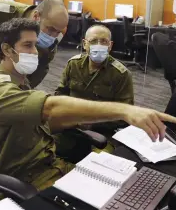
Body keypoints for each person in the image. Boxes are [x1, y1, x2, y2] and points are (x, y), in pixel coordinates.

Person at [0, 18, 176, 191]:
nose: (36, 52)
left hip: (49, 161)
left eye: (35, 45)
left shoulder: (18, 79)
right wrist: (125, 110)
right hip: (29, 176)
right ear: (7, 50)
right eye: (28, 46)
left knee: (121, 185)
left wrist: (76, 122)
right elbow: (51, 107)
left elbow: (43, 121)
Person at [54, 25, 134, 159]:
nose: (99, 45)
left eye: (104, 42)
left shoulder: (121, 74)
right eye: (93, 41)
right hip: (71, 125)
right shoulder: (73, 65)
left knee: (100, 163)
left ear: (110, 45)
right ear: (85, 44)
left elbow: (124, 115)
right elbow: (60, 93)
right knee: (45, 148)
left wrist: (92, 122)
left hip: (103, 133)